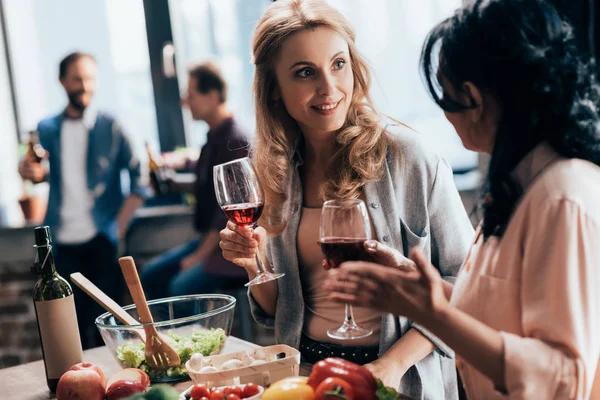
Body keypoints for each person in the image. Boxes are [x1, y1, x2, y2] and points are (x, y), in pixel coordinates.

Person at [325, 0, 600, 399]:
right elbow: (501, 315)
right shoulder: (521, 182)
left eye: (445, 93)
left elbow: (563, 377)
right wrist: (419, 287)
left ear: (472, 97)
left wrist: (431, 313)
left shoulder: (562, 197)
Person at [218, 0, 474, 398]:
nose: (329, 88)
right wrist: (252, 263)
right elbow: (275, 311)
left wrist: (389, 366)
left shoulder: (407, 156)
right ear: (274, 92)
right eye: (305, 73)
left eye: (338, 64)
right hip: (307, 374)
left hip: (399, 376)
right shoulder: (275, 173)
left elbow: (466, 286)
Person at [18, 52, 145, 349]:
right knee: (70, 327)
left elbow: (141, 179)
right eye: (77, 78)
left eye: (90, 78)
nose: (85, 85)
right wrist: (26, 170)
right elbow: (38, 171)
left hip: (102, 239)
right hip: (62, 243)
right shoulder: (47, 128)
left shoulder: (112, 126)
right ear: (62, 81)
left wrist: (120, 225)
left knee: (109, 324)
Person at [140, 62, 250, 299]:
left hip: (232, 247)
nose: (184, 102)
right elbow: (208, 186)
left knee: (181, 287)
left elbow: (226, 215)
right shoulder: (214, 136)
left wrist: (198, 257)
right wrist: (171, 184)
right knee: (151, 275)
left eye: (189, 95)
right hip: (211, 242)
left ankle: (195, 334)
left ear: (211, 96)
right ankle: (166, 335)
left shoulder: (234, 141)